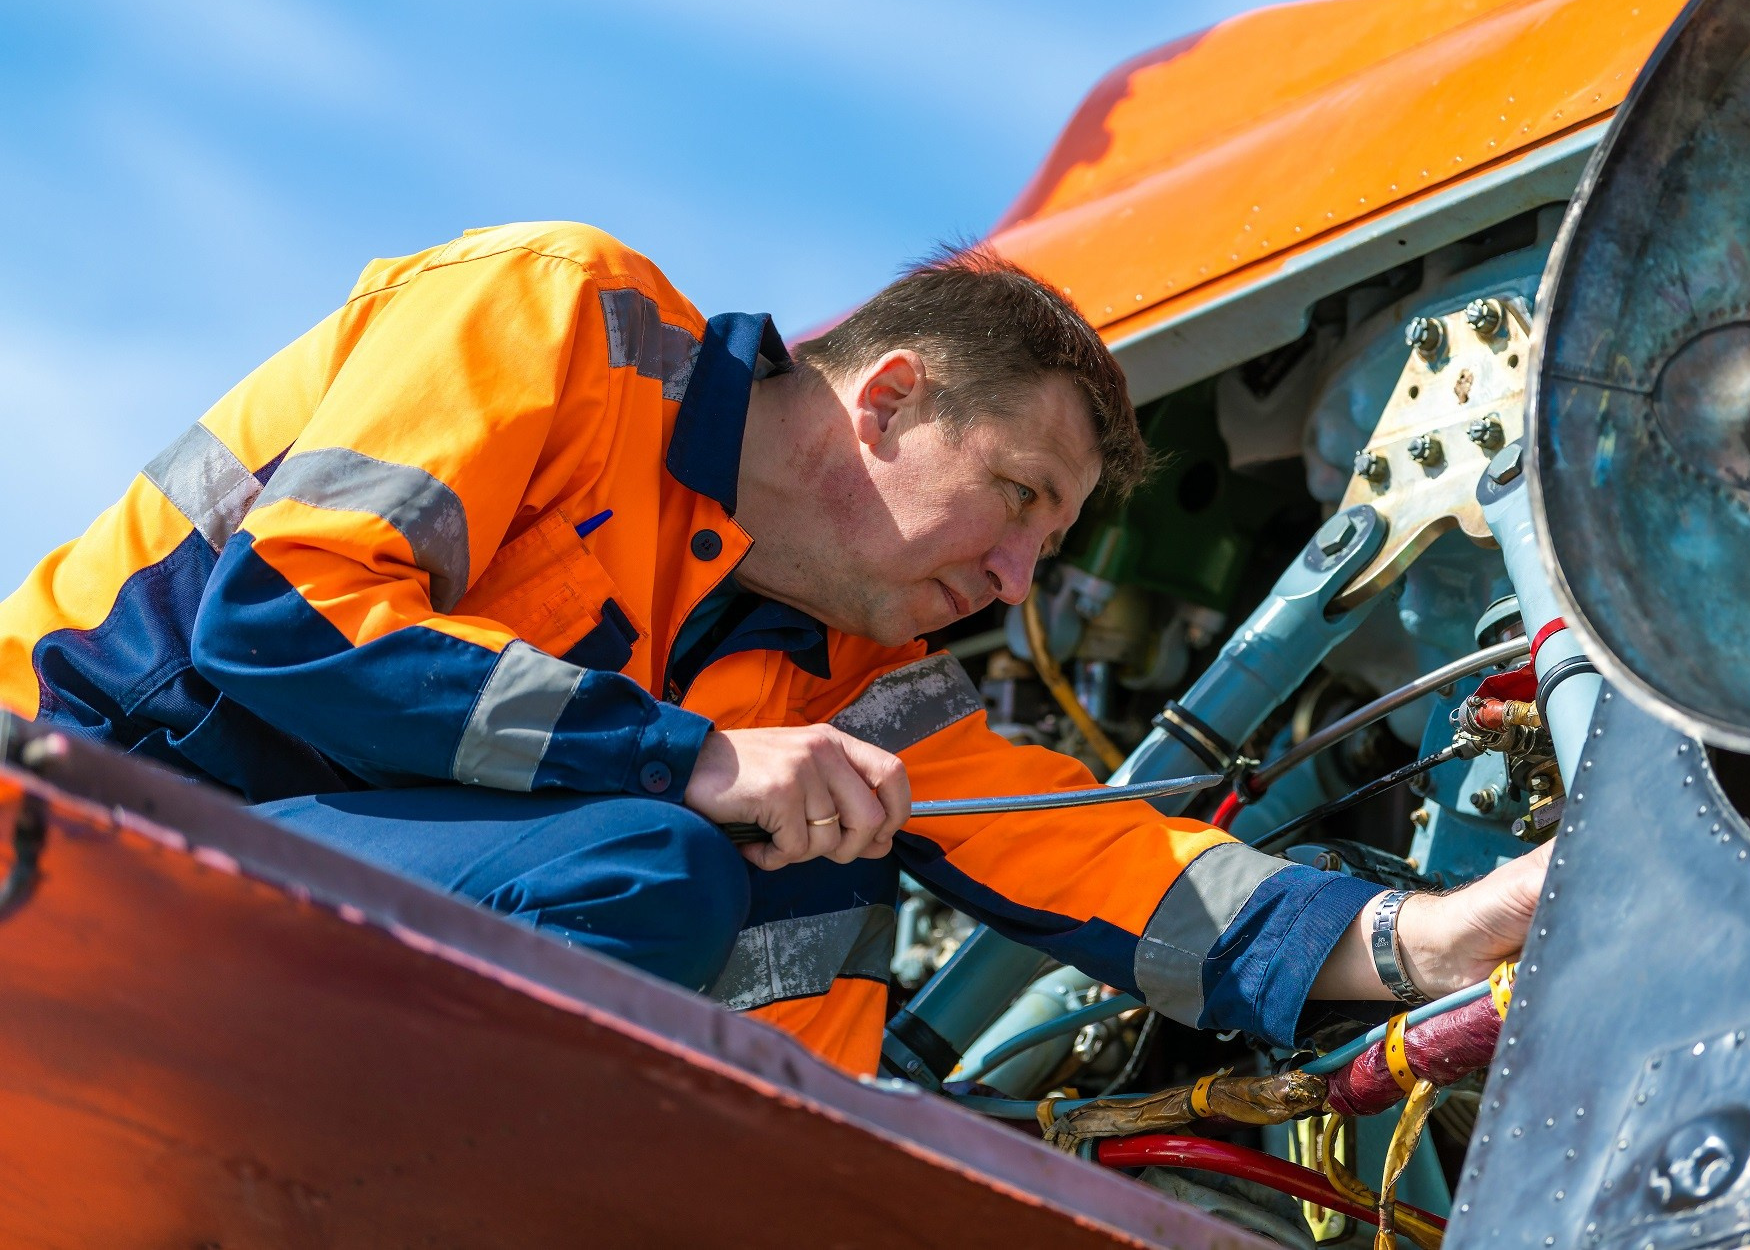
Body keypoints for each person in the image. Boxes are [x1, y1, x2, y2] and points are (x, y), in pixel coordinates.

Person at [0, 221, 1546, 1075]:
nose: (1015, 581)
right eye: (1015, 501)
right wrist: (696, 755)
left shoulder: (841, 673)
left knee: (808, 870)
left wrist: (1429, 937)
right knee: (657, 867)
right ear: (881, 402)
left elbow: (1086, 853)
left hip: (246, 901)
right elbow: (282, 620)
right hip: (68, 816)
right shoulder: (554, 317)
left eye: (1046, 551)